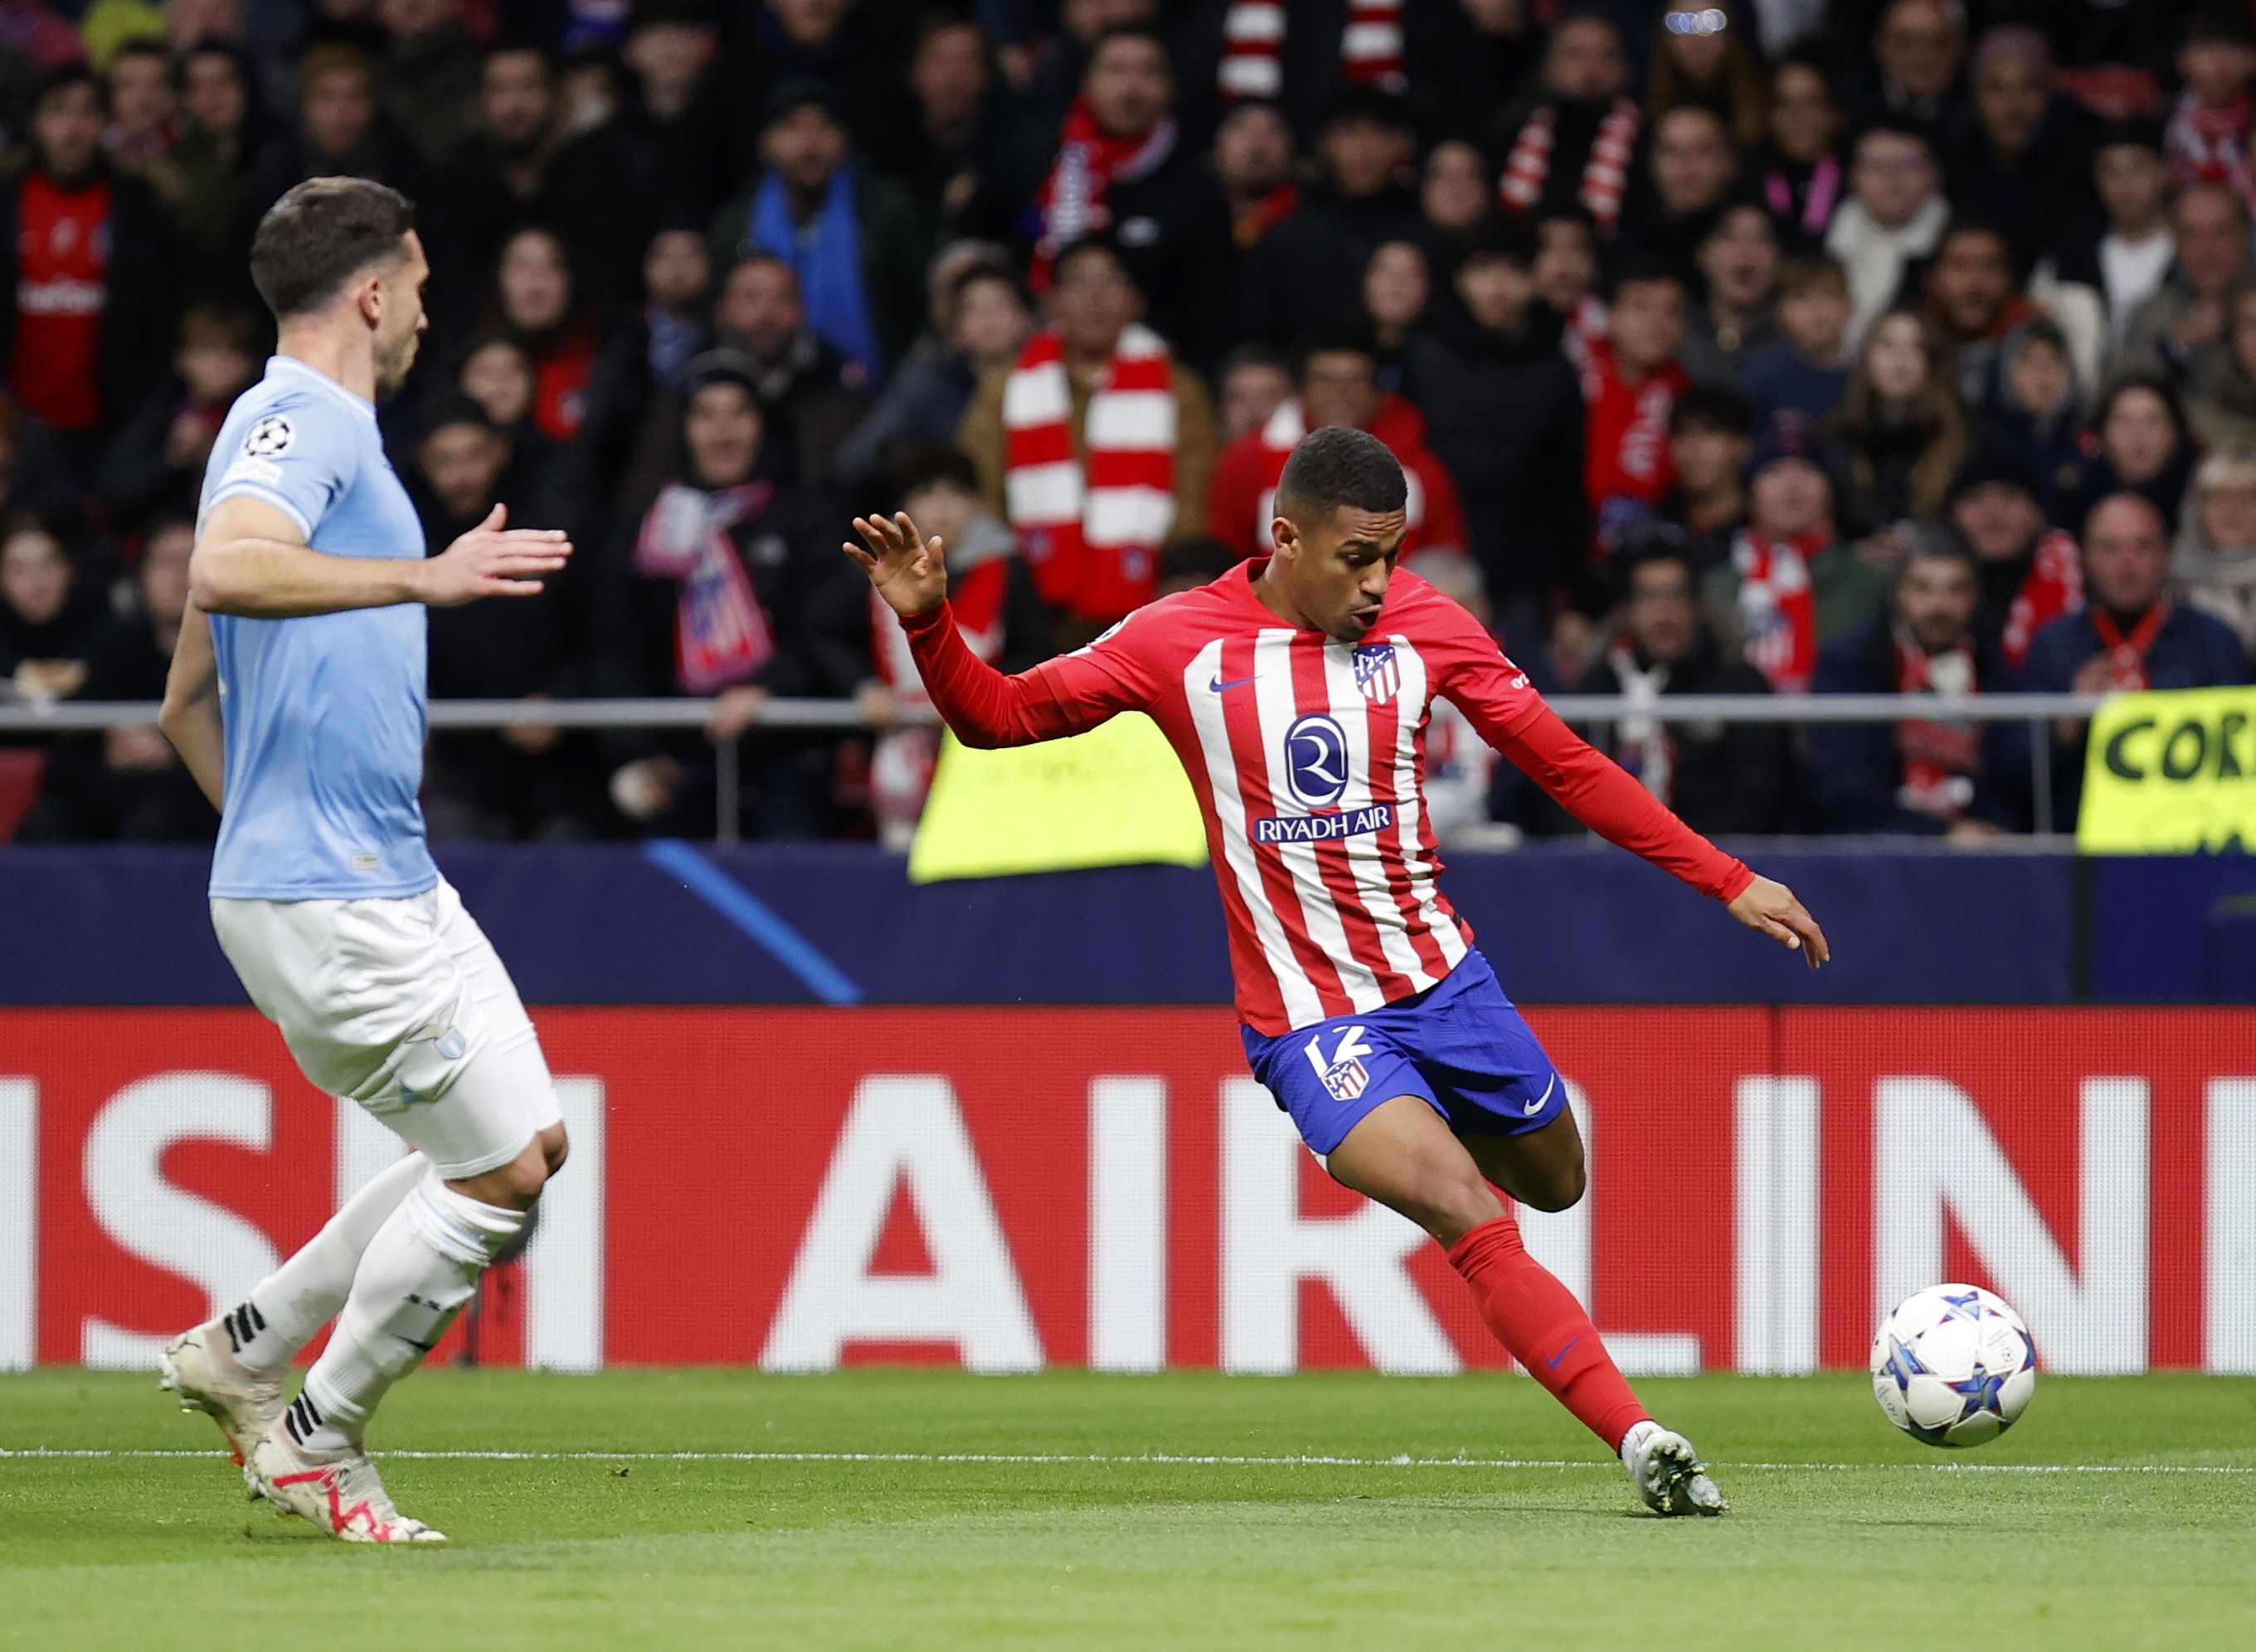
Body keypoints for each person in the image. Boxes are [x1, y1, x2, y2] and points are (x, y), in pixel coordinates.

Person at [844, 425, 1830, 1518]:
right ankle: (1642, 1440)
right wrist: (928, 623)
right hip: (1313, 1021)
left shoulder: (1428, 626)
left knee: (1557, 1181)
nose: (1376, 584)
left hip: (1447, 983)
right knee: (1466, 1210)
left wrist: (1723, 878)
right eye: (1356, 559)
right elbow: (996, 717)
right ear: (1286, 541)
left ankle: (1440, 1134)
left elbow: (1564, 763)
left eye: (1390, 558)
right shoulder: (1177, 642)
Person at [153, 177, 576, 1544]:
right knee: (498, 1177)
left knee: (525, 1146)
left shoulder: (306, 436)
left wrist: (270, 837)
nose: (430, 315)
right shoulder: (303, 421)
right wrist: (427, 577)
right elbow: (227, 571)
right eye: (424, 287)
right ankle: (317, 1441)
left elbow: (184, 699)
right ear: (376, 293)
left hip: (370, 875)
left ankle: (245, 1349)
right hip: (334, 891)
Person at [957, 234, 1217, 637]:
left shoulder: (1179, 389)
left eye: (1111, 282)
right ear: (1051, 303)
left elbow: (1194, 501)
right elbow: (980, 494)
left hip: (1150, 610)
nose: (1095, 299)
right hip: (1031, 611)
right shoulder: (1006, 389)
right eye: (1078, 283)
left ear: (1136, 301)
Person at [1398, 216, 1586, 623]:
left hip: (1523, 577)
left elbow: (1567, 489)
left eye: (1514, 269)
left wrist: (1574, 594)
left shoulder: (1556, 371)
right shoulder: (1421, 357)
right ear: (1460, 279)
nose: (1498, 284)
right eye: (1484, 267)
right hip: (1426, 566)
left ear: (1534, 280)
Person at [2020, 492, 2250, 823]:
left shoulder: (2214, 641)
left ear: (2167, 555)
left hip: (2191, 832)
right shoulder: (2052, 644)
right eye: (2109, 548)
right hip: (2077, 837)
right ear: (2084, 558)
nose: (2126, 565)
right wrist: (2065, 723)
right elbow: (2005, 768)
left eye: (2142, 547)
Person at [1555, 527, 1792, 838]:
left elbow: (1759, 801)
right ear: (1623, 611)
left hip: (1713, 859)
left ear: (1699, 606)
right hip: (1605, 861)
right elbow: (1555, 800)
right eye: (1649, 597)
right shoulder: (1596, 689)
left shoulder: (1740, 686)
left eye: (1678, 594)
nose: (1665, 611)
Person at [0, 63, 180, 449]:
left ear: (105, 123)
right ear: (34, 122)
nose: (74, 127)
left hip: (111, 427)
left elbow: (159, 318)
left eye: (88, 111)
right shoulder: (6, 203)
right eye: (58, 110)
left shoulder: (139, 208)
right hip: (14, 429)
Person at [709, 80, 931, 381]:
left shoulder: (886, 210)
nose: (810, 144)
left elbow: (922, 302)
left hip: (881, 388)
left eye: (825, 126)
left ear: (845, 140)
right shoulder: (736, 223)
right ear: (765, 143)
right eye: (792, 127)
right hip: (758, 389)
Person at [1806, 537, 2026, 838]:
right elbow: (1841, 787)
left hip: (1978, 840)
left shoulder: (1994, 669)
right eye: (1923, 588)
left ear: (1976, 596)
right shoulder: (1849, 665)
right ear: (1898, 593)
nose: (1939, 605)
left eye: (1956, 590)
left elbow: (2013, 779)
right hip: (1875, 842)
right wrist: (1941, 833)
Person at [12, 516, 213, 843]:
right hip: (112, 791)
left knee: (158, 823)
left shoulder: (236, 660)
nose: (180, 572)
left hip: (192, 802)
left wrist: (174, 754)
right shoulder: (112, 650)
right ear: (141, 576)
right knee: (46, 826)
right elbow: (63, 764)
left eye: (192, 557)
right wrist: (110, 750)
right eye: (166, 561)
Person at [1204, 330, 1461, 560]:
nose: (1341, 394)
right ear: (1303, 390)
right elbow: (1224, 560)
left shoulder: (1422, 471)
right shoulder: (1247, 462)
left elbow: (1445, 566)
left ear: (1376, 394)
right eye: (1326, 380)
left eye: (1356, 381)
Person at [1705, 415, 1891, 693]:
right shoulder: (1714, 587)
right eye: (1773, 470)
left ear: (1831, 489)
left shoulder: (1872, 582)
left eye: (1808, 468)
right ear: (1749, 493)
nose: (1792, 484)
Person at [1237, 85, 1420, 351]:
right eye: (1349, 132)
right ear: (1324, 144)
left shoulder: (1423, 230)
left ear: (1398, 144)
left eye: (1378, 132)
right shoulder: (1287, 237)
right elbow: (1257, 332)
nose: (1364, 148)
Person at [1496, 13, 1641, 236]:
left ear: (1626, 68)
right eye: (1574, 54)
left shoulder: (1648, 142)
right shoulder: (1510, 140)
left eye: (1606, 55)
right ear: (1548, 68)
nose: (1590, 68)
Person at [1831, 306, 1971, 533]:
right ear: (1866, 358)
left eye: (1916, 347)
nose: (1900, 358)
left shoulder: (1964, 437)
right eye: (1888, 345)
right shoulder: (1837, 434)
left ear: (1933, 361)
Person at [2113, 182, 2250, 390]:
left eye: (2221, 232)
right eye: (2192, 235)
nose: (2207, 249)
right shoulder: (2152, 313)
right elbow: (2118, 387)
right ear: (2177, 243)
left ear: (2246, 235)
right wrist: (2177, 343)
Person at [1825, 121, 1950, 348]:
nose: (1892, 176)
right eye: (1876, 165)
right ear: (1853, 177)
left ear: (1934, 175)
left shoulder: (1959, 242)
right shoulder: (1825, 239)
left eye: (1909, 164)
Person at [1752, 42, 1848, 249]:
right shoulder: (1748, 183)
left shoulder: (1857, 183)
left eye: (1813, 103)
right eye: (1784, 103)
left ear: (1836, 114)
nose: (1798, 117)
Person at [1741, 251, 1853, 425]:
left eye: (1829, 294)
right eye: (1801, 297)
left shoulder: (1864, 378)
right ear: (1779, 312)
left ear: (1849, 306)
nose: (1816, 308)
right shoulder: (1763, 377)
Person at [1682, 201, 1782, 389]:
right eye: (1729, 237)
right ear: (1701, 254)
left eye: (1761, 238)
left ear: (1780, 258)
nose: (1746, 251)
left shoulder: (1797, 341)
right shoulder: (1675, 331)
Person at [1658, 386, 1753, 571]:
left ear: (1742, 446)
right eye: (1681, 433)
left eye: (1710, 432)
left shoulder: (1766, 529)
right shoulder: (1656, 525)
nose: (1694, 447)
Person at [2175, 446, 2256, 656]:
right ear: (2196, 508)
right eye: (2219, 496)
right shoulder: (2167, 584)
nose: (2232, 509)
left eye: (2247, 496)